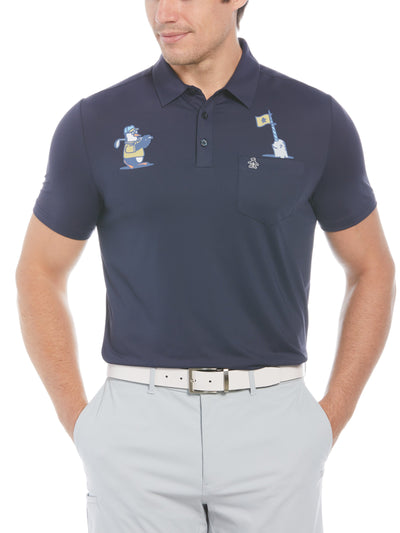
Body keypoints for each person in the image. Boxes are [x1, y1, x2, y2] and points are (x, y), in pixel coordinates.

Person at [15, 1, 396, 532]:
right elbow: (38, 269)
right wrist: (81, 422)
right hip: (136, 426)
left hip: (273, 425)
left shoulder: (316, 119)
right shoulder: (94, 122)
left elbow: (372, 267)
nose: (164, 12)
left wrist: (329, 418)